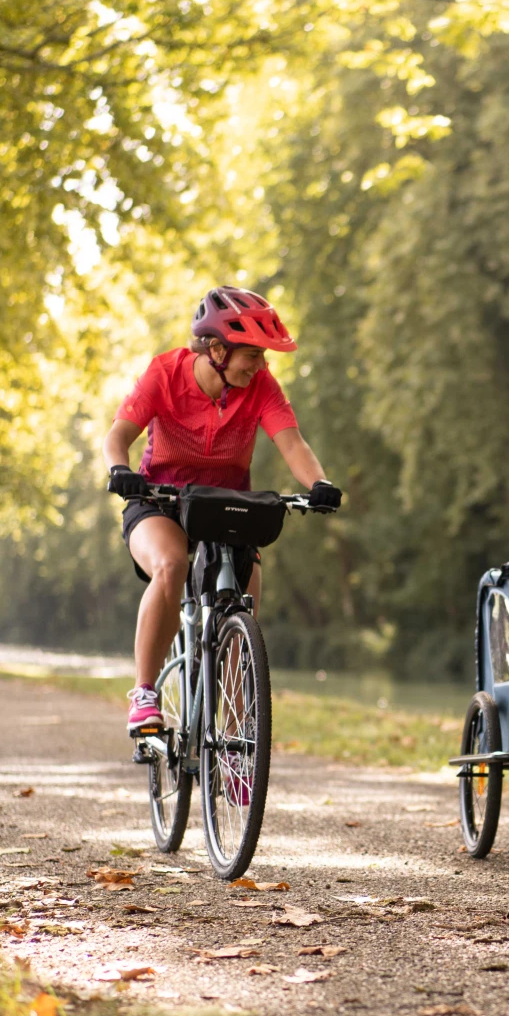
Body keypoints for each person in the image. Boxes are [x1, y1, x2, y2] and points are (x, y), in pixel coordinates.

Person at [102, 286, 342, 737]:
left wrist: (319, 484)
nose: (260, 366)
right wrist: (119, 469)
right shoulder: (164, 374)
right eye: (252, 355)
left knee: (246, 597)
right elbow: (116, 438)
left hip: (225, 506)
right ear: (216, 349)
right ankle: (145, 694)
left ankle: (234, 735)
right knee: (171, 564)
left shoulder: (261, 387)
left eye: (262, 357)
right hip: (160, 501)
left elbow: (292, 443)